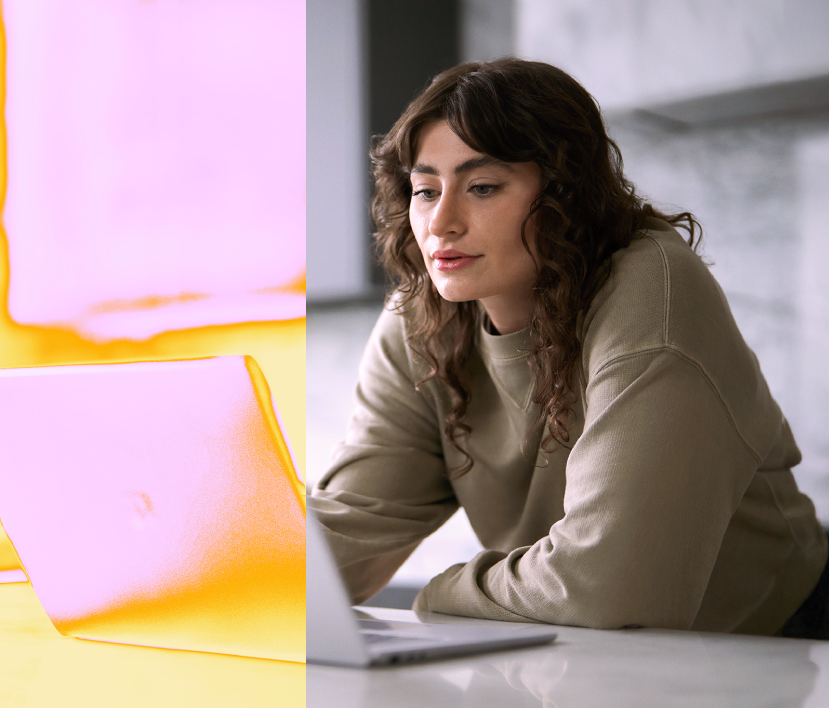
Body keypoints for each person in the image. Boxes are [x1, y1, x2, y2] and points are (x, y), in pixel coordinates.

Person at [309, 58, 829, 636]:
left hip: (780, 644)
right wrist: (213, 577)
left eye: (482, 187)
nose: (441, 223)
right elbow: (352, 524)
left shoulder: (652, 292)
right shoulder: (422, 318)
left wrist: (439, 595)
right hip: (594, 653)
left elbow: (608, 589)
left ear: (564, 194)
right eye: (426, 190)